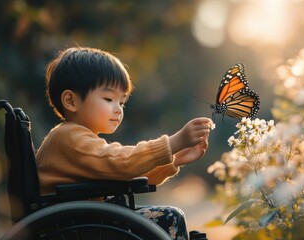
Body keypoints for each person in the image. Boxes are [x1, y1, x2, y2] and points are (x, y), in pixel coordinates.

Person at [36, 46, 213, 239]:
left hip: (82, 222)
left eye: (122, 102)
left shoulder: (79, 138)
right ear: (71, 101)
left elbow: (123, 177)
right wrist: (173, 143)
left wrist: (175, 159)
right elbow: (122, 163)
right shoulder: (69, 137)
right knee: (170, 217)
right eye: (108, 98)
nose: (118, 109)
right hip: (74, 227)